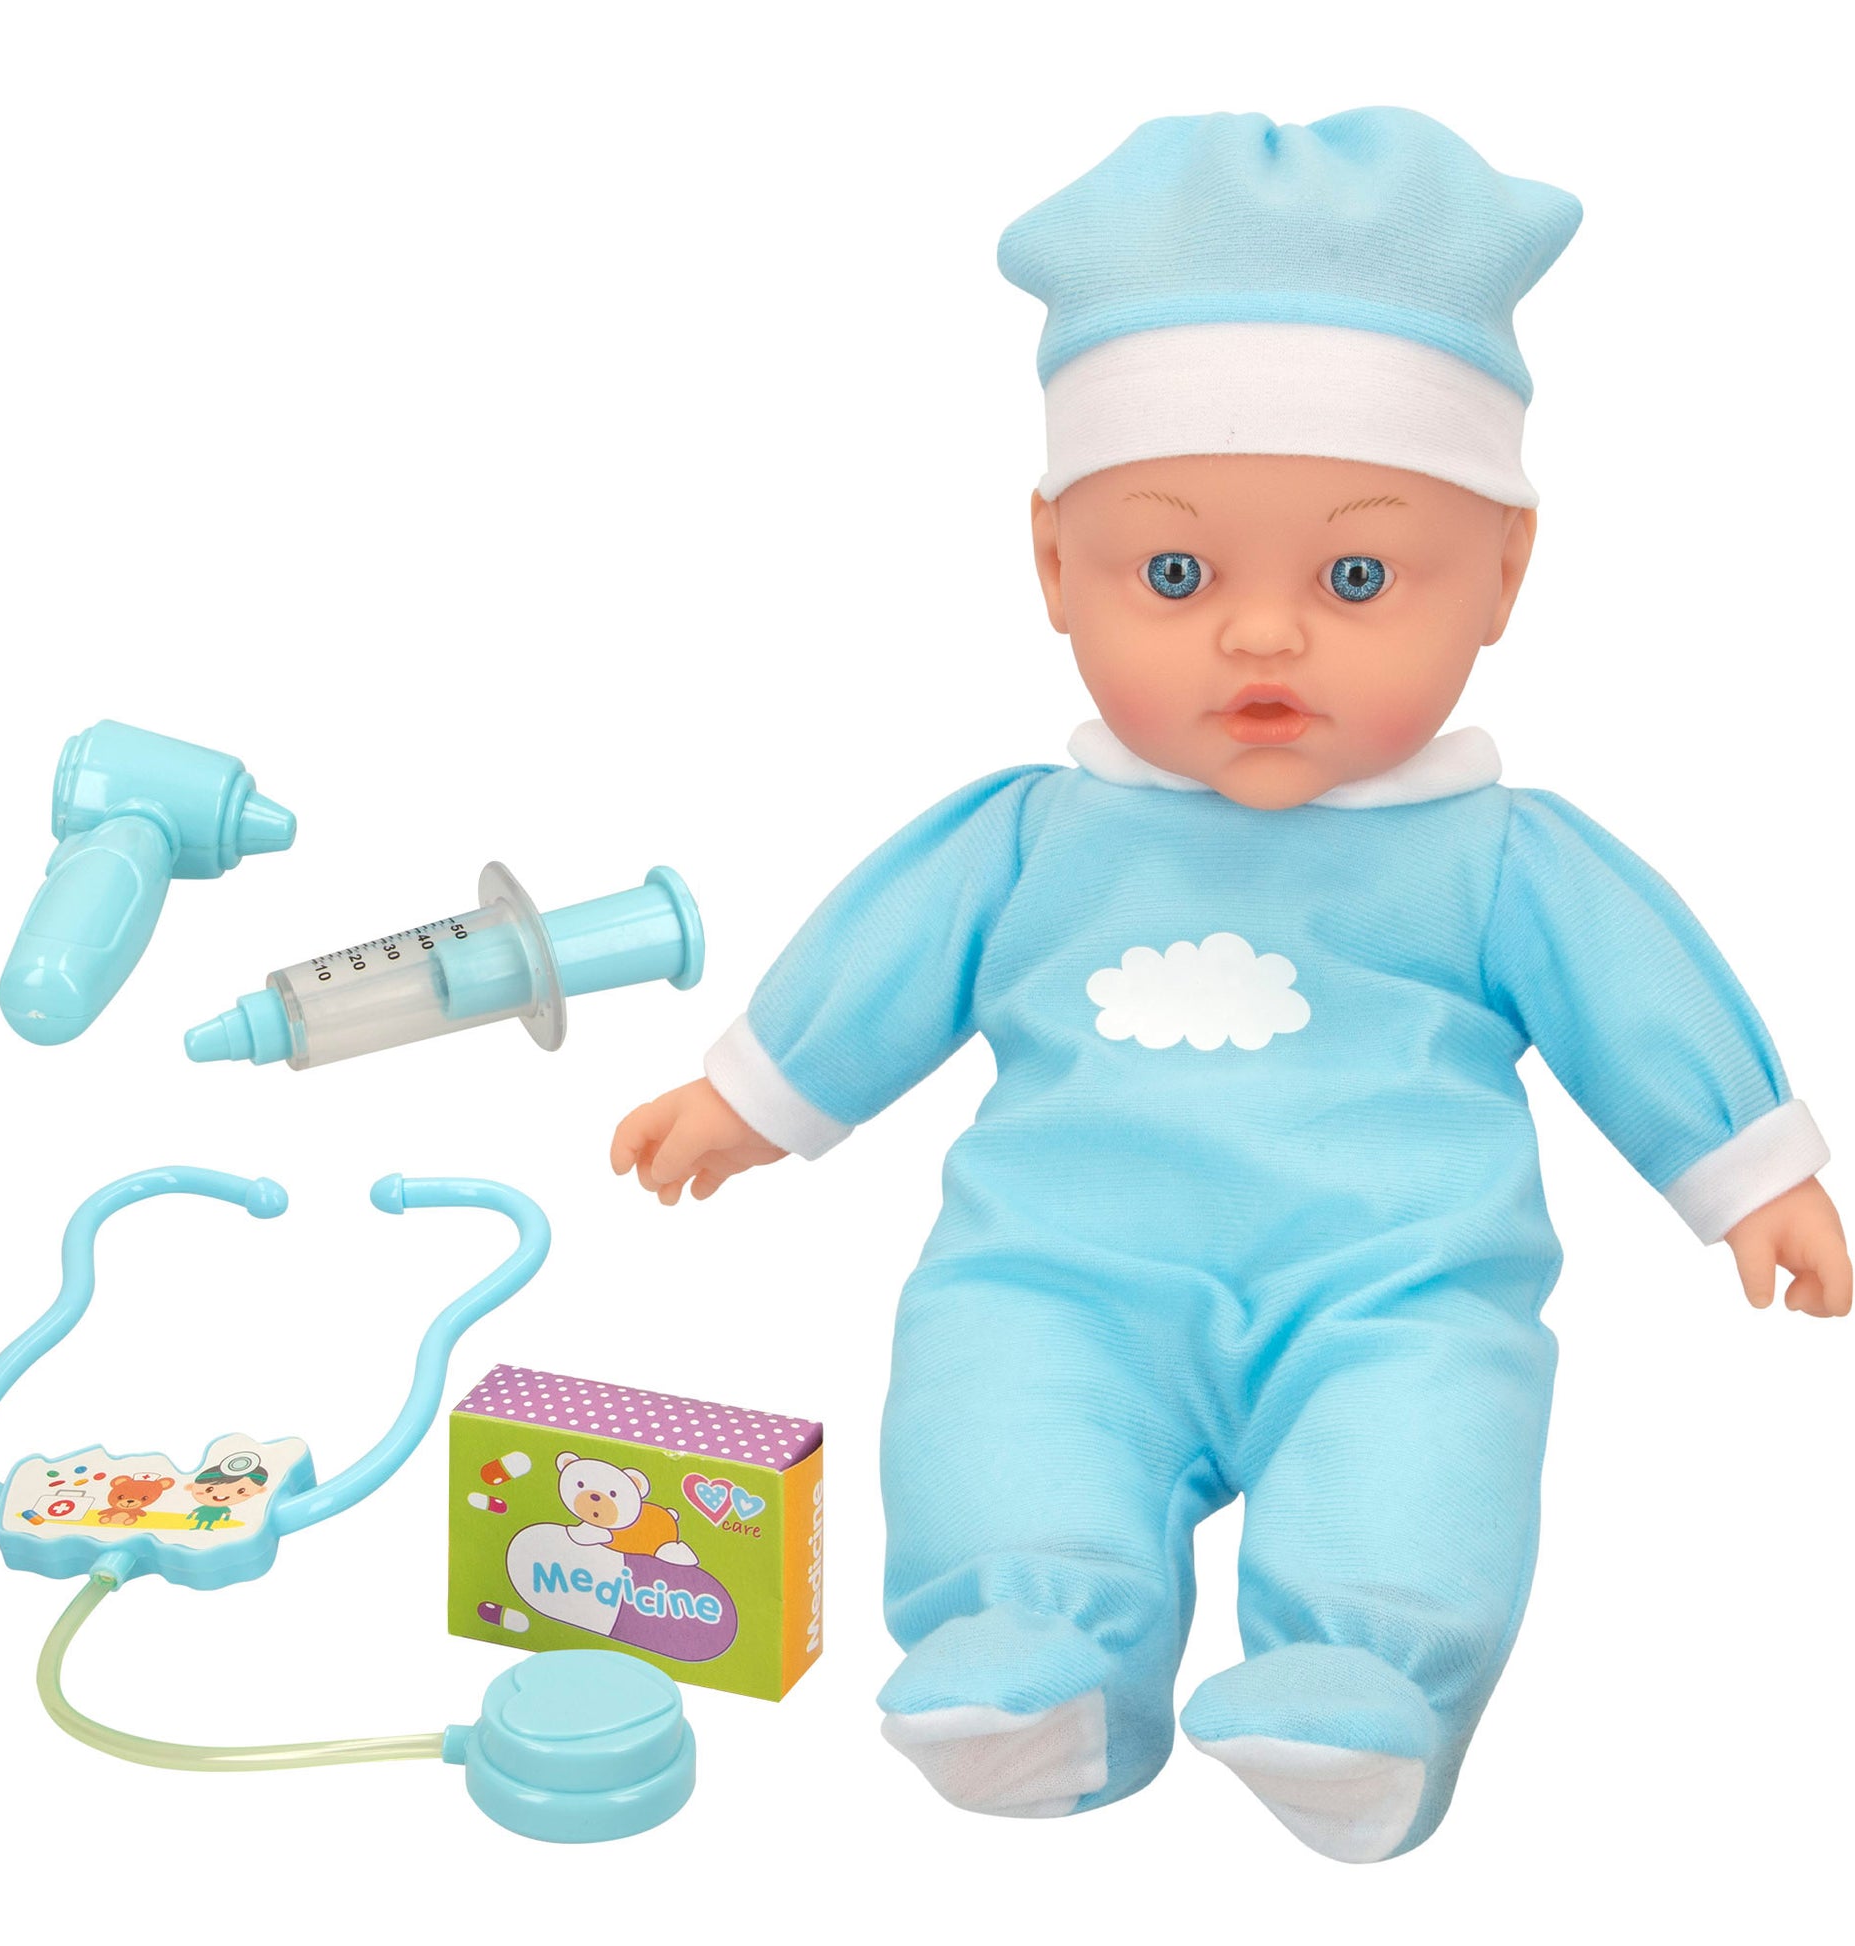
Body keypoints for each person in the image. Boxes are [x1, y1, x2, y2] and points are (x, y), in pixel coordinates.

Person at [610, 109, 1849, 1861]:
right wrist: (750, 1095)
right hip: (1057, 1270)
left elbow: (1640, 998)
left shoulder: (1499, 858)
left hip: (1396, 1283)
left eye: (1357, 575)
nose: (1261, 637)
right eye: (1174, 573)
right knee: (991, 1400)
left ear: (1502, 572)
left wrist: (1748, 1172)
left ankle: (1360, 1683)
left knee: (1425, 1448)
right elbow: (881, 959)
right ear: (1053, 566)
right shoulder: (1032, 835)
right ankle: (1032, 1651)